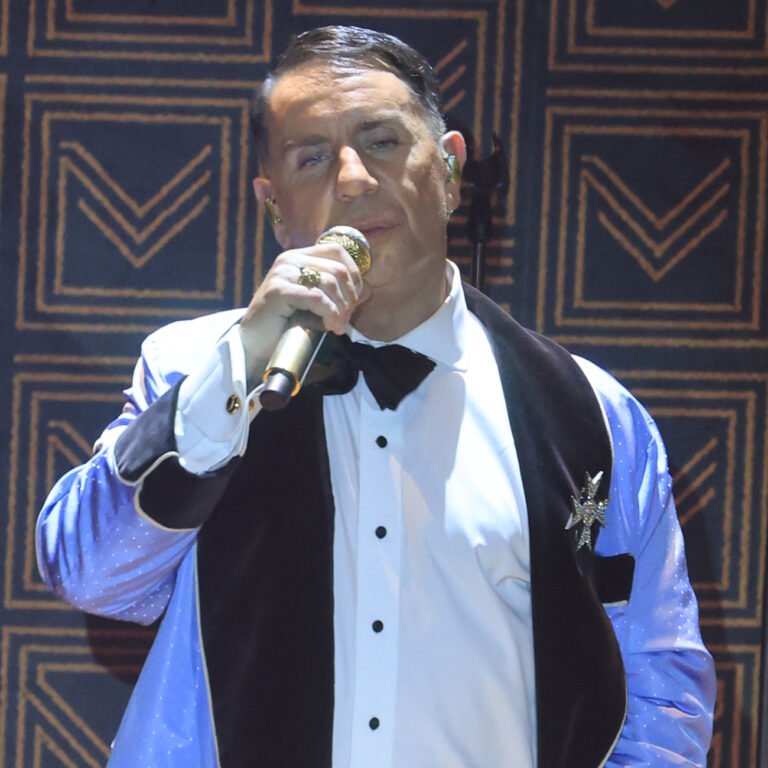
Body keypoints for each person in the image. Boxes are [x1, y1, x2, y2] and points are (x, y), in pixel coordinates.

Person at [36, 25, 716, 768]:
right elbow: (93, 576)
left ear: (450, 170)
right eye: (312, 157)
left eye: (382, 142)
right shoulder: (198, 370)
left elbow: (661, 680)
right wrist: (235, 371)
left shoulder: (588, 411)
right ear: (273, 206)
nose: (354, 180)